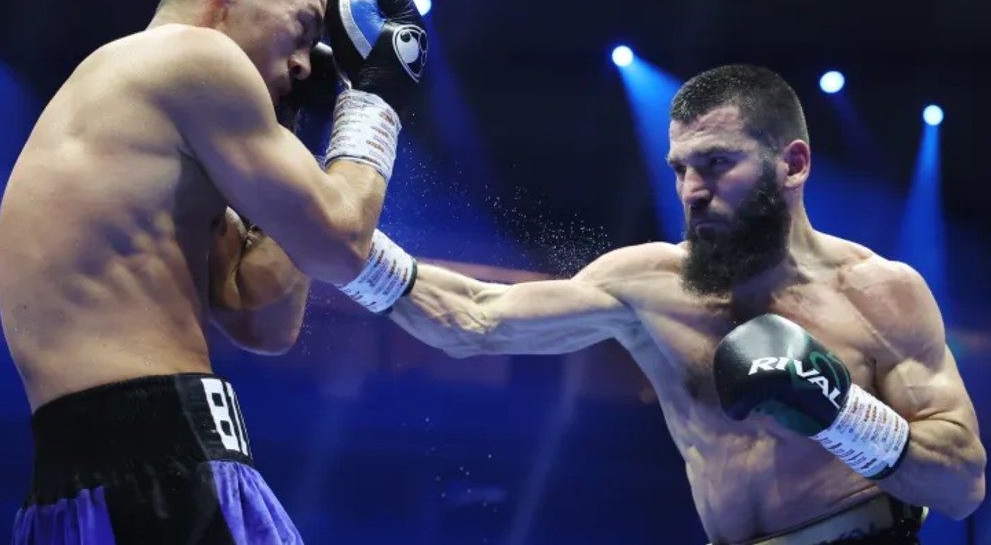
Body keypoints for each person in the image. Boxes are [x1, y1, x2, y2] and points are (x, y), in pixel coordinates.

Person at [372, 64, 985, 544]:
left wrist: (839, 414)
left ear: (793, 163)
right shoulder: (650, 282)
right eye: (680, 168)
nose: (692, 190)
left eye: (717, 163)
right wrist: (345, 249)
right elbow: (476, 317)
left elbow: (961, 485)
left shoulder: (880, 291)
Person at [0, 0, 428, 544]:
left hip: (78, 489)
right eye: (305, 26)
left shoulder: (134, 105)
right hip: (166, 468)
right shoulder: (194, 57)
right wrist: (376, 97)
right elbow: (340, 244)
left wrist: (293, 142)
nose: (305, 61)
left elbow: (260, 314)